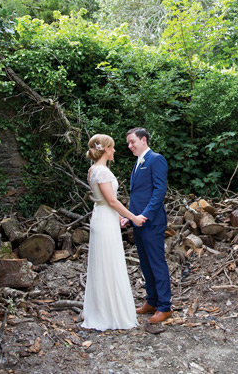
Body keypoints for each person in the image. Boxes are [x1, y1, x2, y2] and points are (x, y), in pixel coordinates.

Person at [81, 134, 146, 331]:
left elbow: (102, 200)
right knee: (108, 263)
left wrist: (117, 217)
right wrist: (133, 217)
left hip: (102, 216)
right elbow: (112, 201)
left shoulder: (93, 170)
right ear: (106, 149)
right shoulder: (102, 171)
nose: (115, 151)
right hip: (104, 218)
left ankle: (103, 310)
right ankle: (110, 314)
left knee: (104, 262)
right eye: (113, 147)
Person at [121, 127, 172, 323]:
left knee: (157, 263)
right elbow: (138, 194)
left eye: (132, 142)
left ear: (143, 140)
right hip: (138, 222)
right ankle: (151, 301)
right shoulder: (138, 162)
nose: (129, 146)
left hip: (152, 222)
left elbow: (159, 191)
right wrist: (130, 217)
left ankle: (165, 307)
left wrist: (144, 215)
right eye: (128, 143)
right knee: (145, 262)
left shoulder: (156, 159)